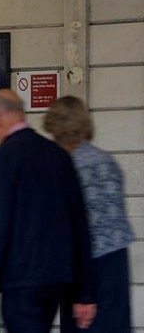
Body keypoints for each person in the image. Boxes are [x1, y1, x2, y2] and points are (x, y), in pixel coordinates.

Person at [0, 89, 96, 333]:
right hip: (58, 277)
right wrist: (85, 292)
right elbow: (80, 225)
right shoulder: (59, 156)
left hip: (22, 279)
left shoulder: (2, 159)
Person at [43, 95, 134, 332]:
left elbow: (68, 227)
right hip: (116, 262)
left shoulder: (65, 167)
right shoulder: (107, 161)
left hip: (84, 266)